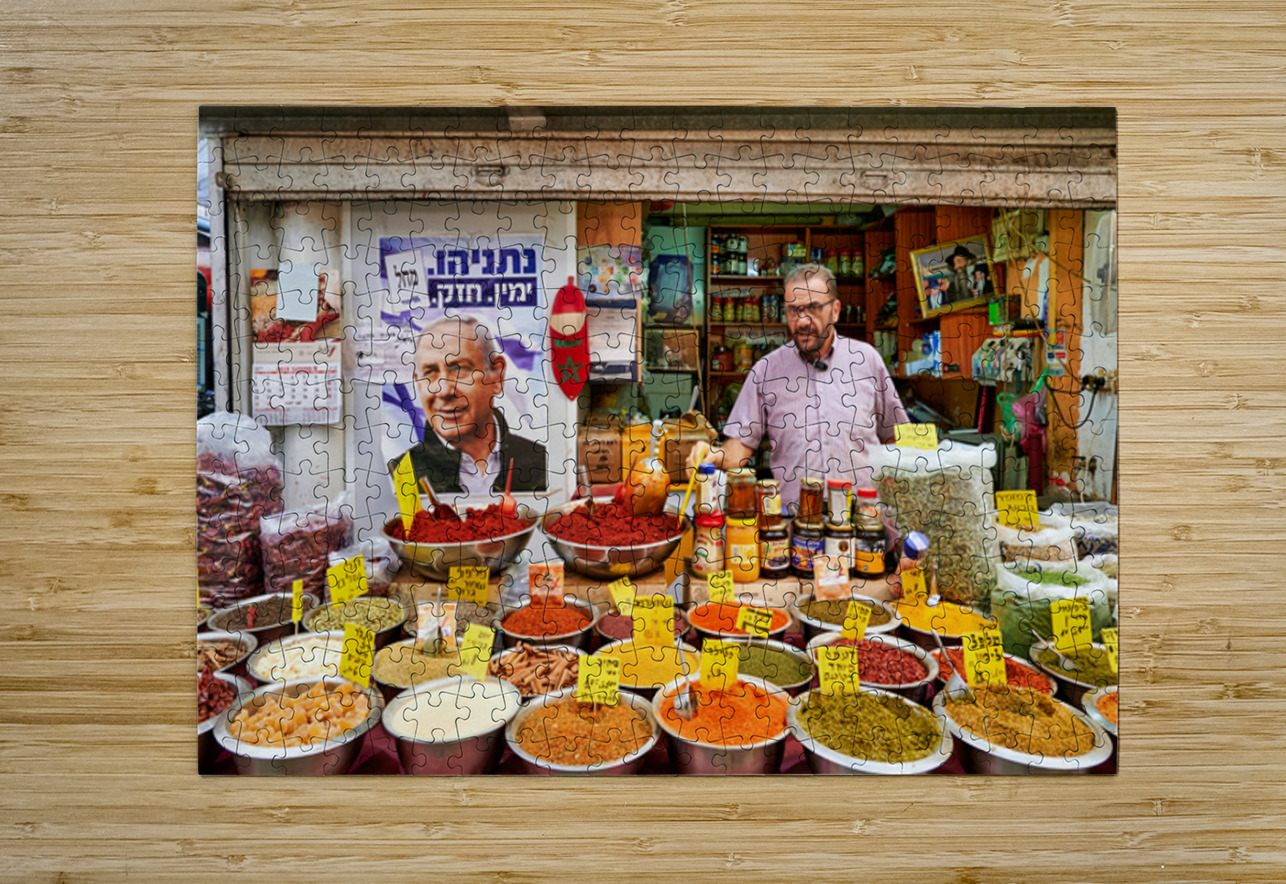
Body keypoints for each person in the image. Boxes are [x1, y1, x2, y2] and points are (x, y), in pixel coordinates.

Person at [689, 264, 908, 511]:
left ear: (835, 310)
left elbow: (896, 436)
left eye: (814, 308)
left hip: (863, 517)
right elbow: (740, 449)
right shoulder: (766, 371)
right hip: (794, 519)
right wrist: (712, 455)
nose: (802, 321)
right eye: (794, 310)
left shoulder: (867, 360)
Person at [391, 315, 547, 494]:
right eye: (430, 373)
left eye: (459, 369)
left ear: (496, 376)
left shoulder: (543, 464)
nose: (444, 390)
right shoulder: (399, 475)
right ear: (419, 383)